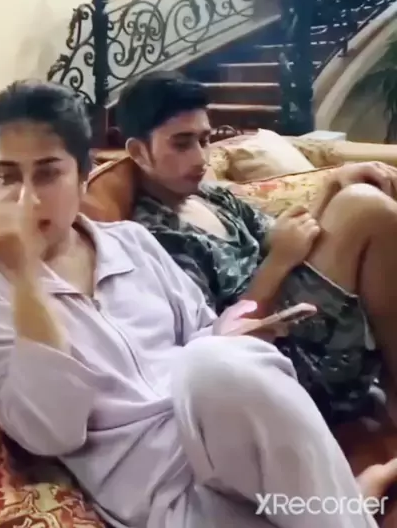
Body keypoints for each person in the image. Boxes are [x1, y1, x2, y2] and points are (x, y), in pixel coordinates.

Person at [0, 80, 397, 528]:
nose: (26, 198)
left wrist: (237, 335)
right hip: (159, 492)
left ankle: (346, 502)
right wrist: (25, 281)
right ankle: (352, 502)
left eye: (47, 173)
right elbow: (51, 433)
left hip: (224, 435)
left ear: (82, 178)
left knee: (217, 359)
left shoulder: (132, 242)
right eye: (7, 177)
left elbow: (204, 334)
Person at [116, 70, 397, 426]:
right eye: (182, 144)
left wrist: (331, 185)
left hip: (302, 314)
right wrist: (277, 262)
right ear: (139, 152)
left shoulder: (211, 197)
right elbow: (215, 342)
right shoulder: (154, 237)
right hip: (277, 357)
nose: (201, 158)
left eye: (204, 140)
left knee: (363, 195)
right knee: (364, 207)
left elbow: (289, 237)